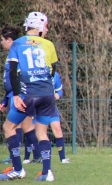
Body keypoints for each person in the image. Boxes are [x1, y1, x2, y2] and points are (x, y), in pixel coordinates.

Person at [0, 12, 58, 181]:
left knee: (9, 127)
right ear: (39, 27)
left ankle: (18, 169)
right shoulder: (48, 44)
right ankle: (47, 173)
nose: (46, 29)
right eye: (46, 26)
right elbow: (53, 70)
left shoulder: (17, 44)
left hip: (29, 94)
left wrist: (16, 95)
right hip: (47, 94)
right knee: (42, 132)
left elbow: (12, 70)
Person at [0, 26, 41, 165]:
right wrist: (6, 98)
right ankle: (37, 155)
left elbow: (17, 76)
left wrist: (13, 96)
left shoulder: (17, 53)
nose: (1, 43)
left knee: (13, 126)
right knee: (26, 126)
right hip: (15, 95)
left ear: (9, 40)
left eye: (2, 40)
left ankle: (15, 158)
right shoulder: (14, 53)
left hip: (19, 95)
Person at [24, 72, 70, 164]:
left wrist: (57, 95)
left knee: (57, 129)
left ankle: (63, 158)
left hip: (50, 107)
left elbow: (59, 91)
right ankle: (27, 157)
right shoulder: (33, 72)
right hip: (35, 106)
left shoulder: (55, 75)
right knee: (31, 130)